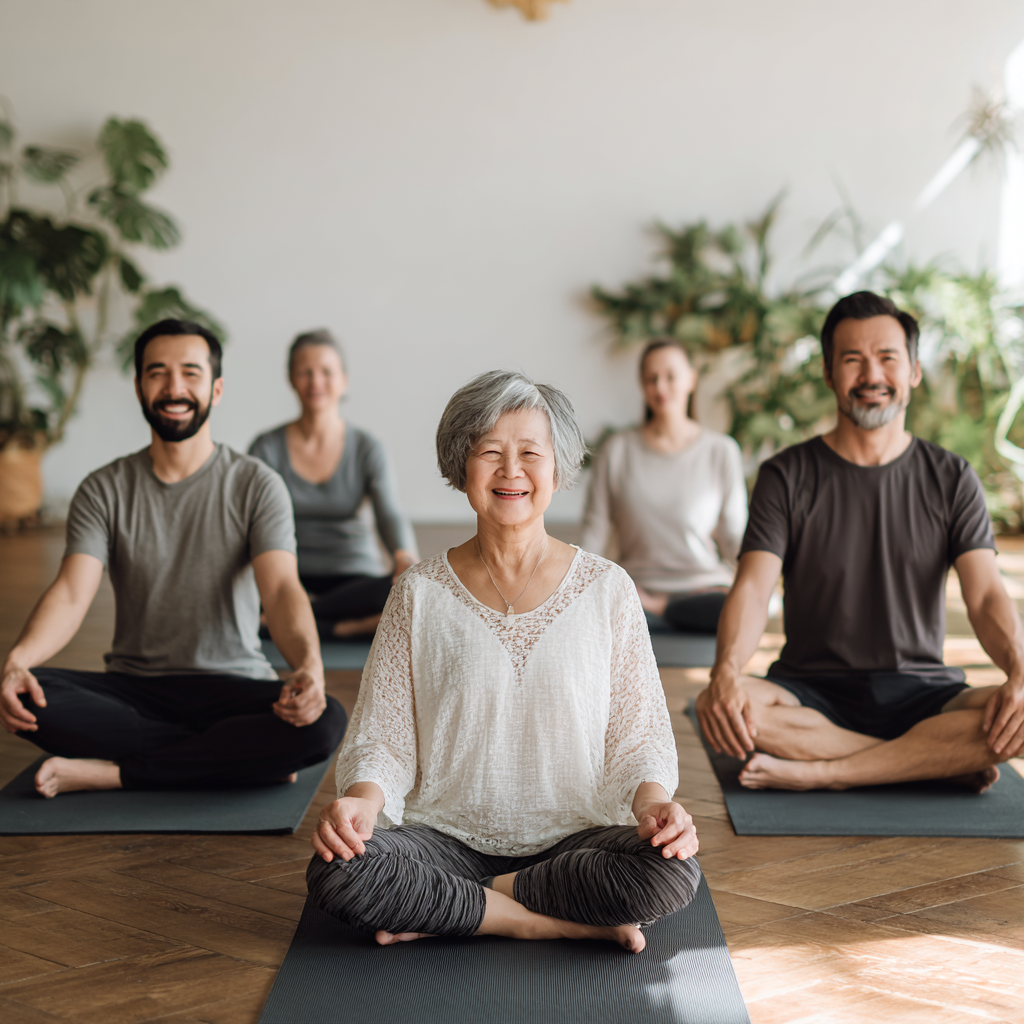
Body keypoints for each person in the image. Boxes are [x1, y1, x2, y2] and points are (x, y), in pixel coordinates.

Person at [307, 370, 700, 953]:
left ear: (558, 469)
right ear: (461, 466)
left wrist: (655, 807)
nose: (510, 470)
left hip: (578, 839)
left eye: (530, 453)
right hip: (444, 840)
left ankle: (461, 906)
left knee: (671, 871)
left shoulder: (608, 588)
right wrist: (361, 803)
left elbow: (639, 734)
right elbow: (383, 737)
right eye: (489, 452)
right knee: (337, 870)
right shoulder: (418, 591)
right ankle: (547, 921)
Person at [0, 319, 347, 797]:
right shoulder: (103, 488)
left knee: (325, 721)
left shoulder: (256, 484)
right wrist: (18, 660)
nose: (174, 387)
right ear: (140, 386)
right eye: (157, 373)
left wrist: (309, 666)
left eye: (190, 372)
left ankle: (112, 773)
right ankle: (238, 760)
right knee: (28, 695)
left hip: (234, 684)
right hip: (134, 688)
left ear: (216, 388)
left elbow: (282, 588)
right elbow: (71, 592)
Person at [696, 291, 1024, 792]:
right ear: (829, 374)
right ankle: (931, 761)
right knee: (723, 705)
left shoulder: (952, 477)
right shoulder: (786, 474)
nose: (872, 376)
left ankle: (830, 772)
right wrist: (725, 671)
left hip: (924, 694)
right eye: (852, 360)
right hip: (810, 692)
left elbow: (985, 595)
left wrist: (1020, 670)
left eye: (888, 358)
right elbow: (753, 589)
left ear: (914, 371)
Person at [249, 330, 418, 639]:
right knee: (243, 596)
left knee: (405, 594)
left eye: (326, 372)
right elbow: (251, 521)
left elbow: (389, 512)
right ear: (291, 379)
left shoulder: (368, 447)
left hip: (354, 579)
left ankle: (296, 616)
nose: (316, 381)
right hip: (289, 574)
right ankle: (341, 627)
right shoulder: (266, 447)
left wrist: (404, 557)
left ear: (344, 380)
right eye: (305, 372)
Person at [581, 339, 747, 634]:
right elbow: (595, 531)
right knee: (604, 605)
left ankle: (662, 609)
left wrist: (755, 579)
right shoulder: (616, 450)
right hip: (636, 591)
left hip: (705, 590)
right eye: (651, 378)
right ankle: (660, 610)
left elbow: (734, 536)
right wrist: (576, 587)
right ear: (641, 385)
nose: (660, 386)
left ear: (691, 379)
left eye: (671, 376)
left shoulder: (721, 450)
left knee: (743, 604)